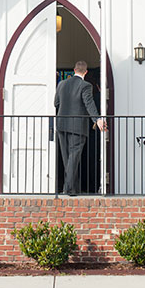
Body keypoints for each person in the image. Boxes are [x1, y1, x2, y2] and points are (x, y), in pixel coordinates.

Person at [54, 60, 107, 195]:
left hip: (61, 125)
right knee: (74, 157)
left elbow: (56, 103)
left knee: (68, 158)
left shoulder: (61, 84)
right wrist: (97, 119)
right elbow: (89, 104)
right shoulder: (85, 86)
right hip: (77, 127)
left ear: (74, 70)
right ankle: (69, 189)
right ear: (86, 72)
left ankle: (72, 188)